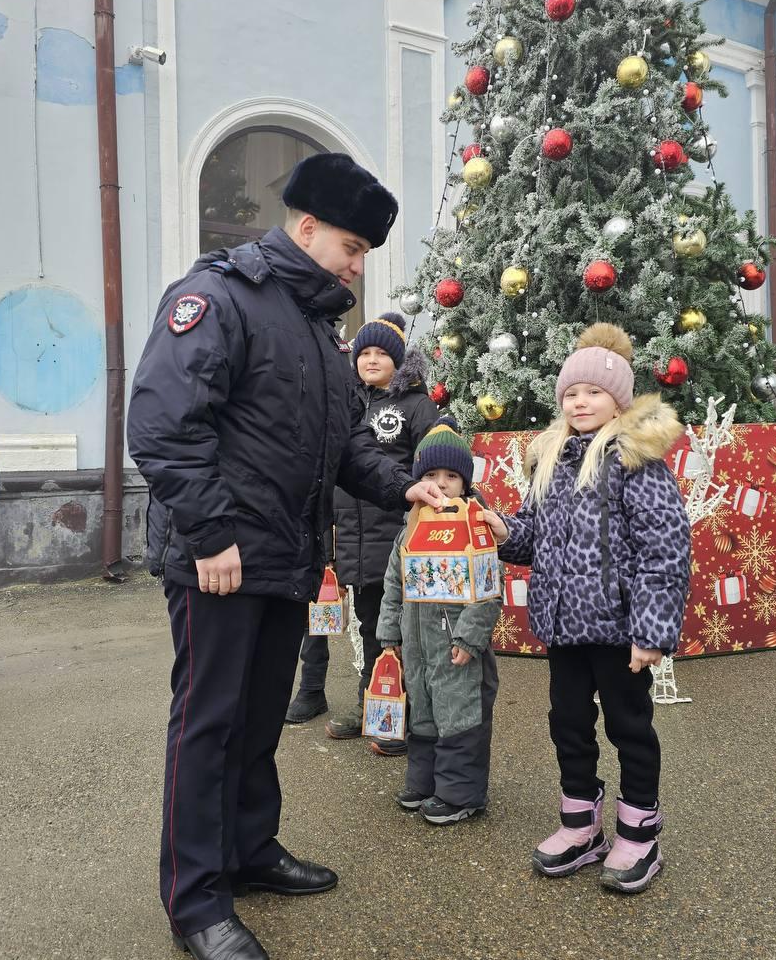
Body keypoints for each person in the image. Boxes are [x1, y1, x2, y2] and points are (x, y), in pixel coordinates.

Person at [127, 153, 445, 960]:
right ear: (306, 229)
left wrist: (404, 488)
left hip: (282, 561)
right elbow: (164, 426)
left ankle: (249, 848)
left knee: (261, 716)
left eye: (366, 253)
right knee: (208, 724)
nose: (358, 264)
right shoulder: (219, 297)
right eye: (351, 245)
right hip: (222, 561)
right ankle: (195, 898)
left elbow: (339, 446)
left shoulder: (314, 326)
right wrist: (209, 536)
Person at [481, 324, 690, 893]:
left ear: (618, 399)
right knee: (568, 723)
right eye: (571, 393)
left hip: (619, 631)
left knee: (629, 726)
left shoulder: (635, 462)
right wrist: (505, 530)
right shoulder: (551, 460)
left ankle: (639, 830)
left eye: (593, 393)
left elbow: (664, 549)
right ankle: (581, 825)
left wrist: (650, 631)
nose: (580, 401)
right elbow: (536, 537)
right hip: (564, 626)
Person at [284, 312, 439, 755]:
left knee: (389, 629)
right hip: (346, 536)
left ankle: (400, 718)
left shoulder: (415, 405)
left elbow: (431, 462)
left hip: (391, 537)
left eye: (381, 354)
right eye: (364, 353)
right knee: (364, 628)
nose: (371, 360)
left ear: (399, 361)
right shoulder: (347, 404)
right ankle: (371, 707)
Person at [376, 418, 501, 825]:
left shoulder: (474, 525)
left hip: (456, 646)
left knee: (459, 714)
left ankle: (460, 792)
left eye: (451, 476)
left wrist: (469, 637)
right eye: (431, 475)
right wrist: (389, 632)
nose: (442, 483)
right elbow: (394, 583)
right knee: (424, 713)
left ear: (464, 484)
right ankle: (424, 780)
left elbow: (486, 590)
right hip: (416, 645)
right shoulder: (409, 530)